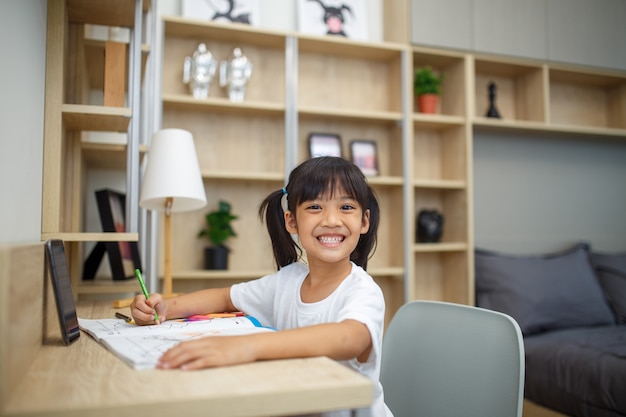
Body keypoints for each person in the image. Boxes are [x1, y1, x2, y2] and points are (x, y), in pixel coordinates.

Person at [131, 156, 392, 417]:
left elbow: (348, 338)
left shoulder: (362, 291)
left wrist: (248, 346)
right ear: (292, 221)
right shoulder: (287, 281)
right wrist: (166, 306)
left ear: (364, 222)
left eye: (346, 207)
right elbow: (225, 297)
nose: (332, 220)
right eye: (315, 207)